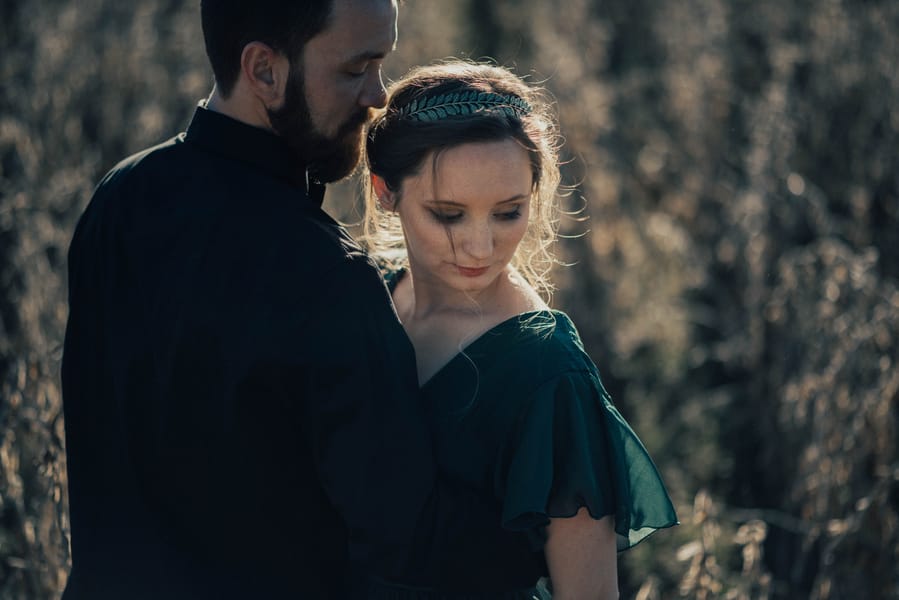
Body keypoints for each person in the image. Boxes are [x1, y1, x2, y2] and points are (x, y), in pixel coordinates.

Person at [61, 2, 508, 598]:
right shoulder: (327, 276)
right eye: (356, 69)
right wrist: (541, 523)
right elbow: (408, 537)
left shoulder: (119, 197)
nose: (379, 96)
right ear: (264, 70)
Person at [362, 60, 679, 598]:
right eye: (448, 214)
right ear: (384, 192)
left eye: (509, 212)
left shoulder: (549, 374)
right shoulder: (375, 301)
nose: (481, 248)